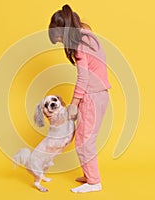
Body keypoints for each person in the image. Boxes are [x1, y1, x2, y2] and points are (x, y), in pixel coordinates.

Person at [48, 4, 111, 193]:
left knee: (84, 140)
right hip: (100, 94)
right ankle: (89, 174)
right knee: (86, 137)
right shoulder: (87, 34)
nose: (61, 42)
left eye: (59, 38)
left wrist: (74, 104)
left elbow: (83, 76)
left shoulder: (79, 44)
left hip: (92, 96)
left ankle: (94, 182)